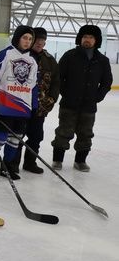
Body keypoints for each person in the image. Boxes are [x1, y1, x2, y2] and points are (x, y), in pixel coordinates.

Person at [0, 25, 37, 181]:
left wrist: (34, 106)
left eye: (30, 39)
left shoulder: (32, 59)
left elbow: (33, 85)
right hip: (5, 107)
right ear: (17, 38)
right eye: (25, 38)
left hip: (23, 108)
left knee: (15, 139)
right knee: (0, 138)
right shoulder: (3, 56)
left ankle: (7, 166)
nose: (27, 41)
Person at [50, 25, 112, 172]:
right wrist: (66, 93)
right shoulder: (69, 56)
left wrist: (97, 97)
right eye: (85, 37)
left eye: (91, 37)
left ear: (96, 40)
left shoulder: (102, 60)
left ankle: (80, 161)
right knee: (63, 132)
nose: (87, 40)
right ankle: (57, 160)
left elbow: (106, 82)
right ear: (80, 39)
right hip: (69, 104)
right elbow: (59, 78)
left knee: (86, 134)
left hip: (89, 106)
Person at [10, 27, 59, 174]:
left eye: (43, 40)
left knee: (36, 136)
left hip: (40, 107)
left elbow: (56, 83)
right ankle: (13, 163)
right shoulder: (22, 56)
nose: (40, 43)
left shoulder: (50, 60)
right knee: (17, 136)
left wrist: (50, 101)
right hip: (22, 105)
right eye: (37, 40)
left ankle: (30, 162)